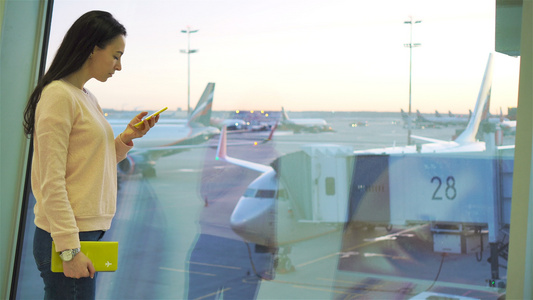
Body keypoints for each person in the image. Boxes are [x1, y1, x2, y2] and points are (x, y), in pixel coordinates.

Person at [23, 10, 158, 300]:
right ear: (92, 48)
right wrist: (69, 249)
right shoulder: (59, 96)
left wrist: (126, 138)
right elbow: (51, 181)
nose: (118, 66)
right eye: (115, 55)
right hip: (66, 238)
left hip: (80, 234)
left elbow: (93, 163)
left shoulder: (85, 96)